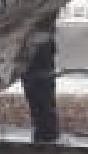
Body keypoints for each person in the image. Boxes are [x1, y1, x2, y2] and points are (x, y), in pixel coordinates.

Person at [22, 13, 60, 144]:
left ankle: (47, 132)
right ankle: (45, 131)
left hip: (38, 35)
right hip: (32, 34)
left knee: (39, 86)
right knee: (34, 86)